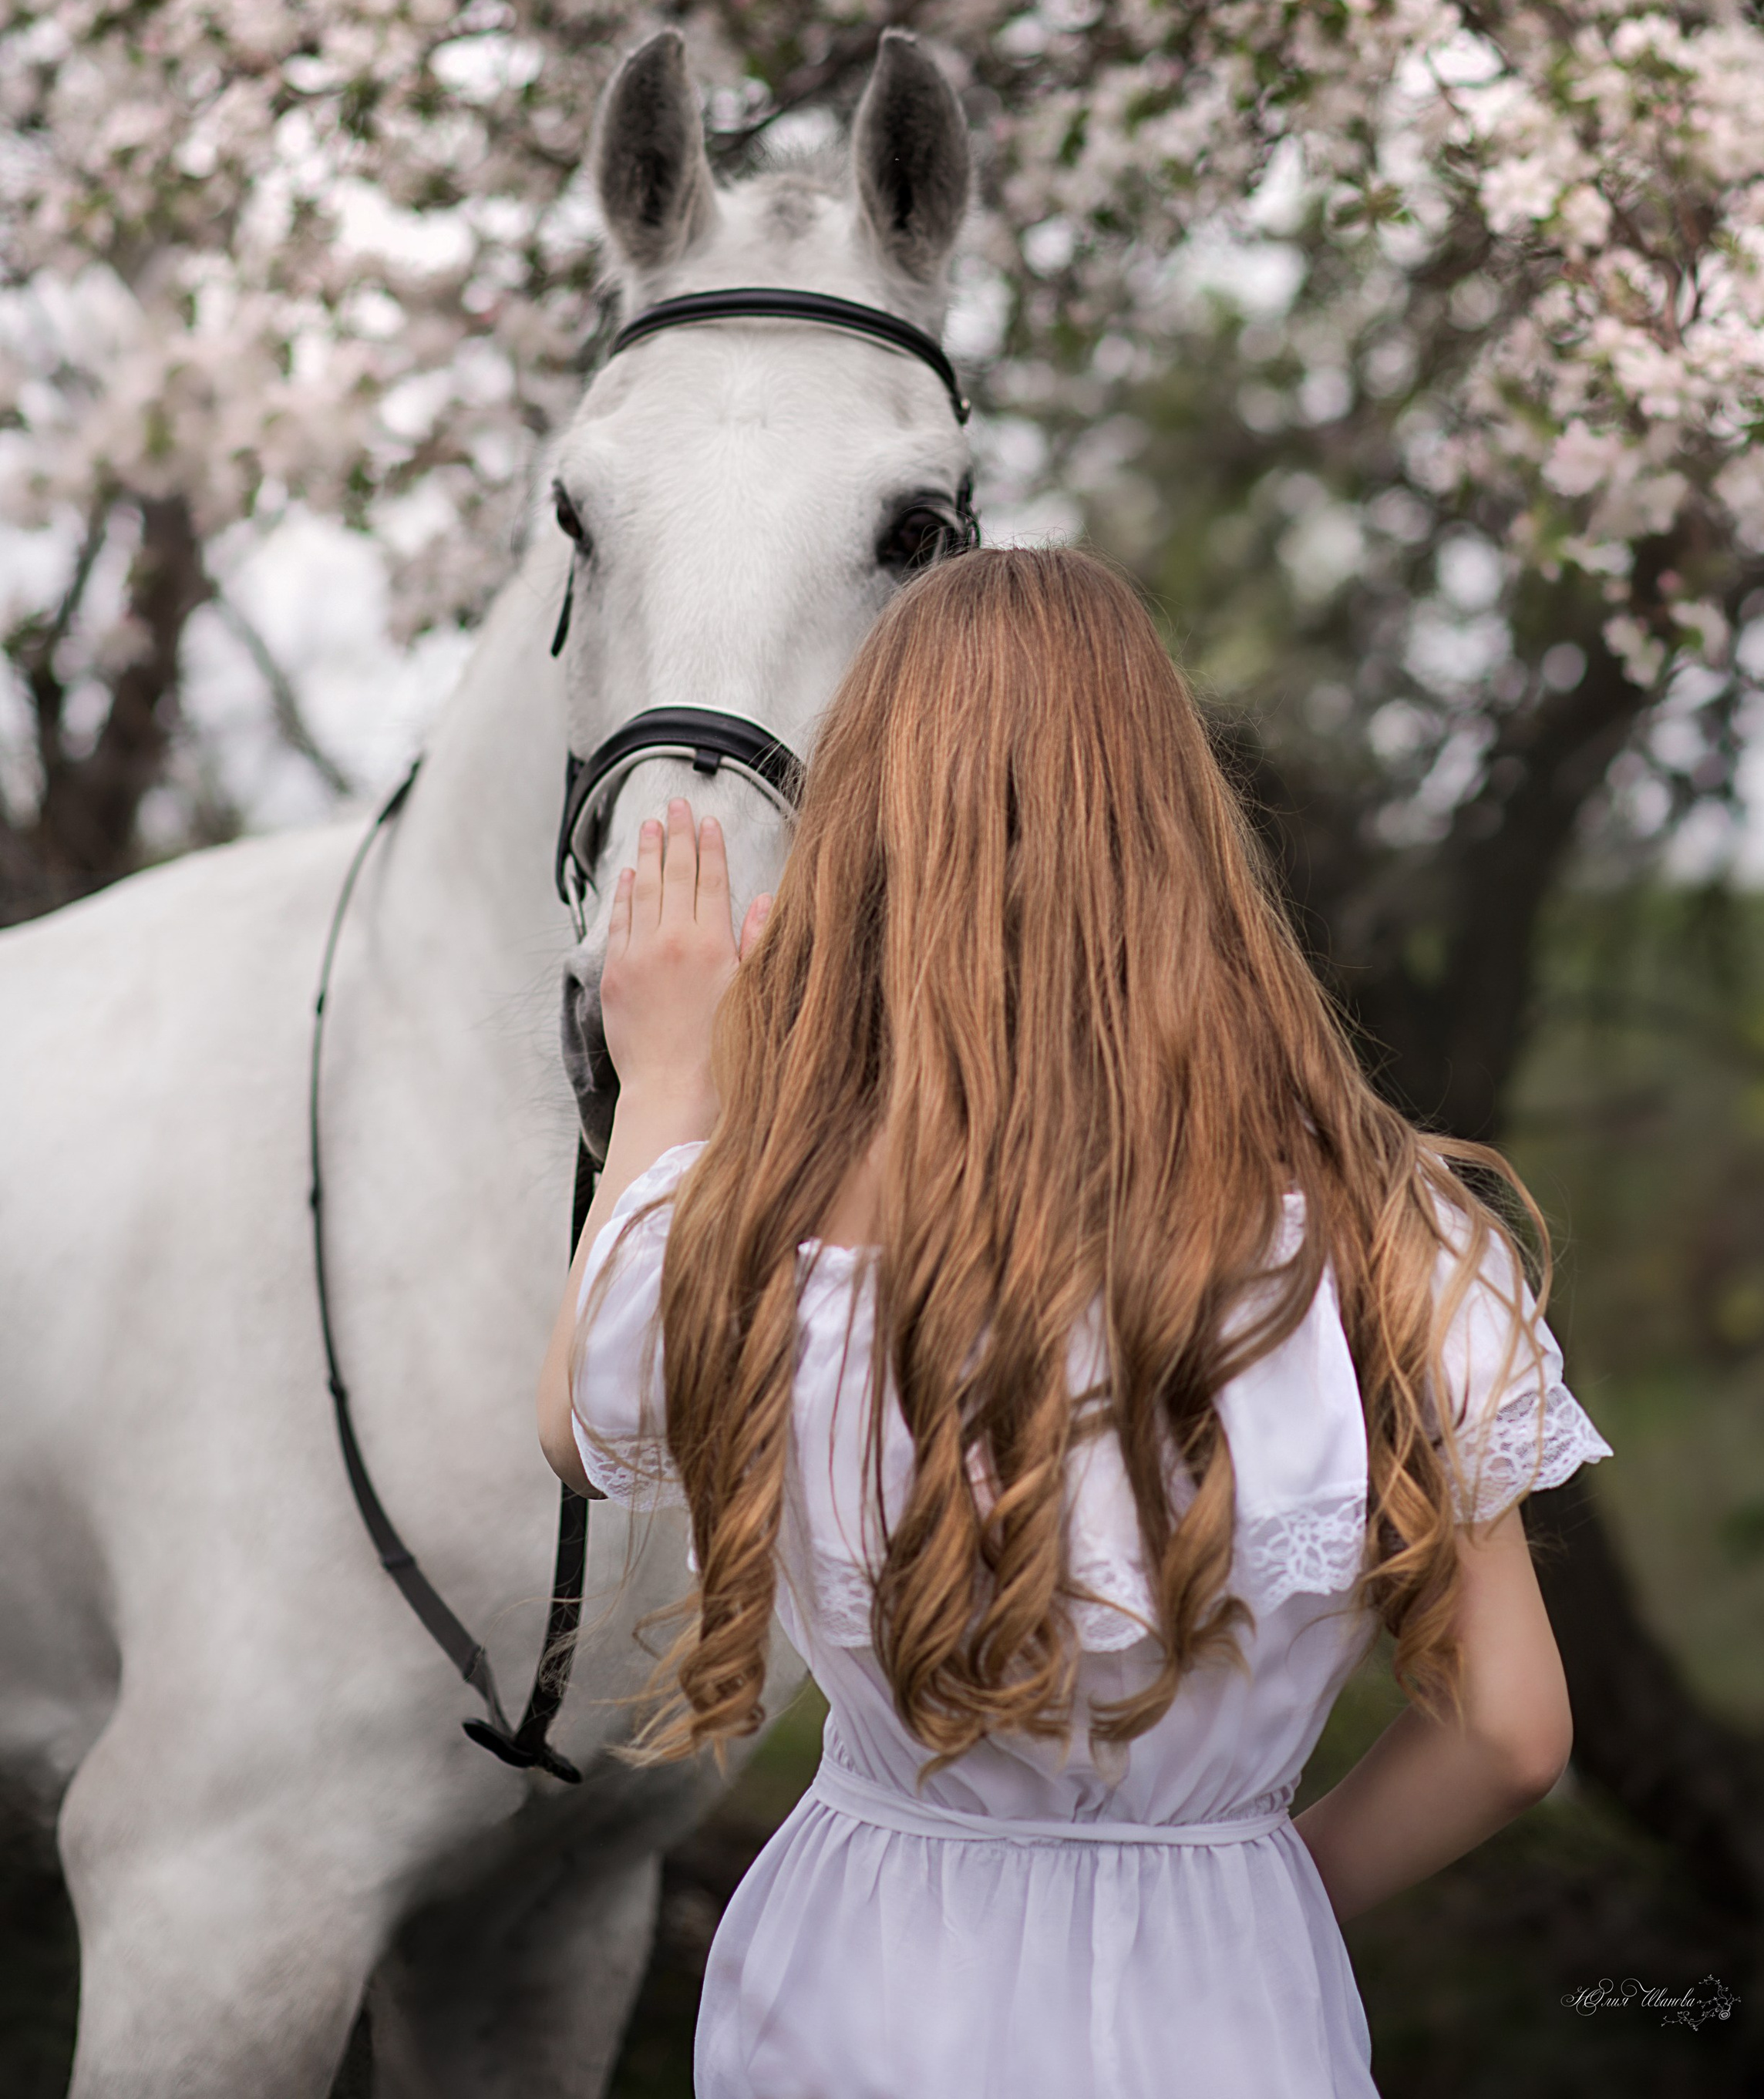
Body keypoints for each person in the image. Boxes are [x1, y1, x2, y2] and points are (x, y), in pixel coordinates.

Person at [538, 547, 1607, 2098]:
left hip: (858, 1996)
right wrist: (1264, 1885)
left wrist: (661, 1090)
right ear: (1177, 831)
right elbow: (1510, 1731)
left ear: (870, 840)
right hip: (1231, 1998)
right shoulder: (1394, 1234)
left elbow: (576, 1422)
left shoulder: (754, 1217)